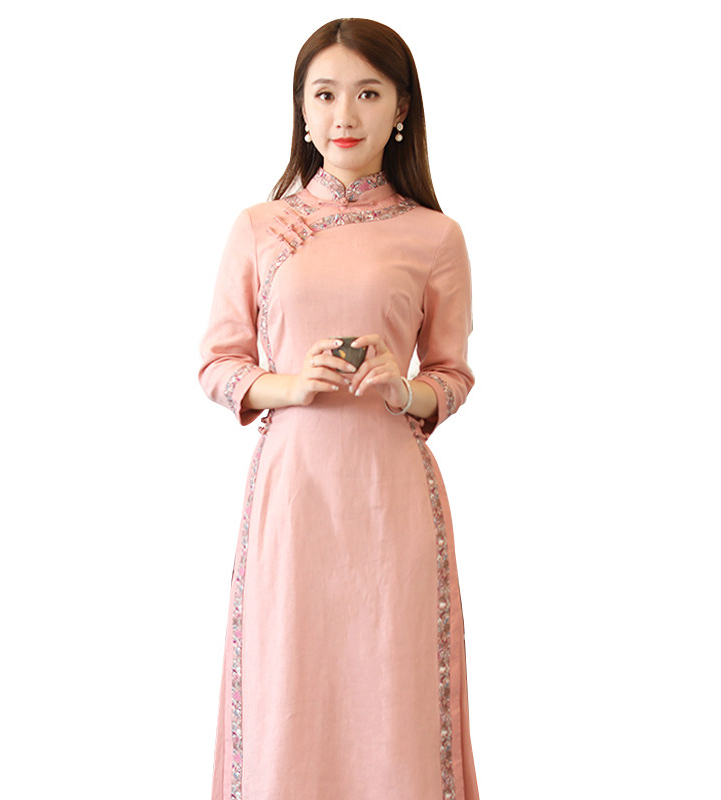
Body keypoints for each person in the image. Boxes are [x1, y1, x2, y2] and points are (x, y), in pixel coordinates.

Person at [198, 17, 480, 800]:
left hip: (390, 495)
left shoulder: (434, 236)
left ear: (401, 108)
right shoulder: (262, 228)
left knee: (392, 684)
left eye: (367, 94)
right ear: (301, 108)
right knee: (289, 678)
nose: (344, 116)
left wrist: (402, 388)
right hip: (295, 492)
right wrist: (292, 385)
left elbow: (452, 375)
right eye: (324, 95)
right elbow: (217, 364)